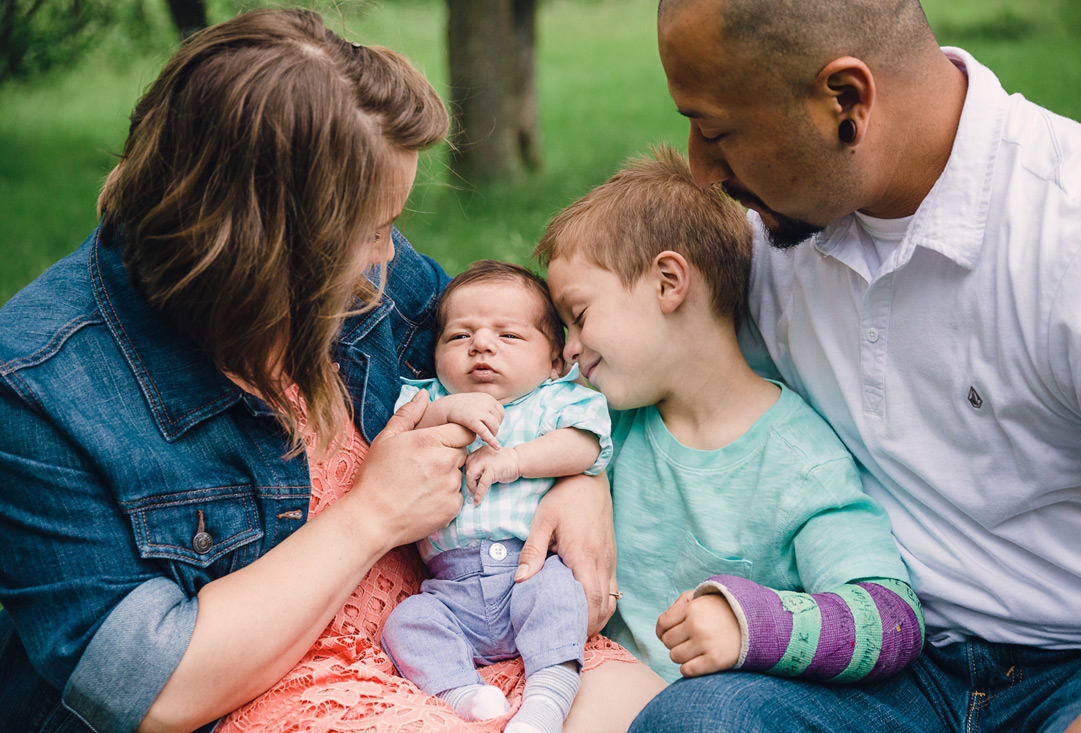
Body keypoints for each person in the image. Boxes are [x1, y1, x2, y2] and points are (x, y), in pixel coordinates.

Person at [0, 10, 662, 733]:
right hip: (270, 690)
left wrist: (576, 477)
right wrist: (373, 513)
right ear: (263, 246)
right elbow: (146, 687)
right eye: (373, 232)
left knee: (659, 717)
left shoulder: (356, 273)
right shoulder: (41, 386)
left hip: (462, 630)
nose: (391, 258)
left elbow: (520, 372)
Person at [630, 0, 1081, 730]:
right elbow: (626, 349)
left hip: (1078, 668)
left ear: (845, 100)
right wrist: (574, 473)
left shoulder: (1076, 235)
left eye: (718, 131)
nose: (701, 167)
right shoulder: (771, 234)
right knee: (699, 719)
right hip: (884, 667)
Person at [535, 146, 923, 687]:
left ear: (669, 283)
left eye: (579, 317)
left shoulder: (796, 461)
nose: (571, 348)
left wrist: (753, 627)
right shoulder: (602, 422)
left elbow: (892, 621)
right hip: (604, 687)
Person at [381, 260, 615, 733]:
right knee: (407, 621)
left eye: (508, 336)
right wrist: (448, 408)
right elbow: (397, 436)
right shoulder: (426, 399)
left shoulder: (555, 400)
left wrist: (516, 460)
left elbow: (585, 445)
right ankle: (465, 694)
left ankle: (545, 704)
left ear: (555, 362)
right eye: (458, 337)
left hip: (528, 572)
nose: (481, 345)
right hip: (450, 590)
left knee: (559, 597)